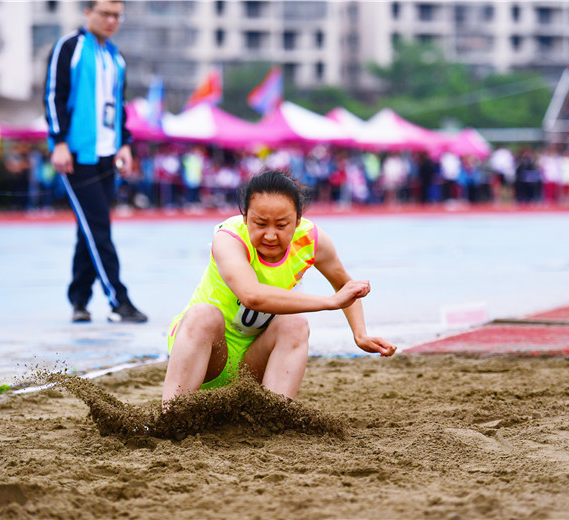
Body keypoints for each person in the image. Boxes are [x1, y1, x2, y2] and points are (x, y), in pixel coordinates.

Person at [162, 170, 397, 405]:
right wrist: (330, 302)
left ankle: (273, 416)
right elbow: (251, 296)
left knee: (295, 324)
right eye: (260, 224)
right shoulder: (229, 238)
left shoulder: (311, 240)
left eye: (282, 225)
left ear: (297, 220)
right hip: (205, 353)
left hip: (251, 359)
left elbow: (345, 285)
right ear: (245, 218)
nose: (271, 235)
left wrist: (360, 334)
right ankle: (172, 414)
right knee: (204, 315)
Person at [45, 0, 147, 323]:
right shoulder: (69, 47)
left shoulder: (116, 57)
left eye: (117, 15)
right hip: (76, 156)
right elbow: (53, 95)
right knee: (98, 227)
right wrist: (59, 141)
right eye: (105, 13)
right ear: (88, 13)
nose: (111, 20)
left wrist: (124, 144)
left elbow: (121, 105)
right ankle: (119, 300)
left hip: (108, 156)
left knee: (89, 228)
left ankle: (79, 299)